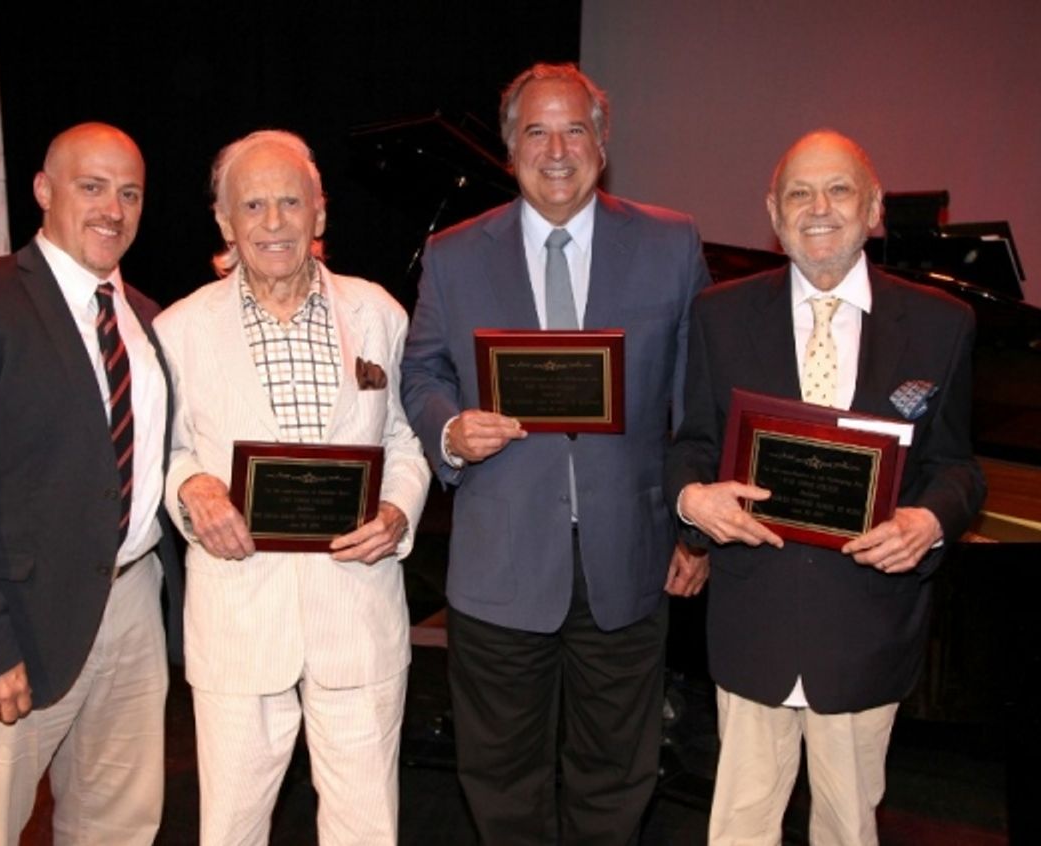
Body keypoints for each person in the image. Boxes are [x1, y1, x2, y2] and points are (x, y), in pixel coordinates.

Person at [400, 63, 712, 843]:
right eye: (536, 131)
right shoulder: (454, 254)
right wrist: (449, 430)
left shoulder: (671, 245)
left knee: (619, 772)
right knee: (501, 777)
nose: (557, 148)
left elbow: (698, 402)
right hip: (501, 561)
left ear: (602, 143)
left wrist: (694, 529)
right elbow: (422, 372)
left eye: (575, 128)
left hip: (631, 559)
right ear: (510, 150)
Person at [664, 130, 987, 845]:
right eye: (798, 193)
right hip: (755, 621)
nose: (819, 208)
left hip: (866, 627)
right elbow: (691, 446)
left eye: (839, 189)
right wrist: (694, 501)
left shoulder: (941, 325)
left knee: (847, 830)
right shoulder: (719, 316)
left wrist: (929, 522)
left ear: (873, 209)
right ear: (773, 216)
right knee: (740, 830)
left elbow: (959, 467)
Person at [0, 122, 182, 844]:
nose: (113, 208)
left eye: (130, 193)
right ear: (44, 192)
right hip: (13, 622)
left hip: (134, 607)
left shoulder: (147, 319)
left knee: (118, 826)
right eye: (92, 187)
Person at [155, 130, 430, 846]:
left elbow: (404, 438)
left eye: (289, 201)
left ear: (320, 213)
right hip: (239, 617)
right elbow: (164, 449)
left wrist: (399, 509)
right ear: (224, 223)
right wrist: (193, 492)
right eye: (253, 205)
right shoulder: (178, 329)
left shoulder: (380, 313)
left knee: (366, 828)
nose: (273, 222)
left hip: (359, 615)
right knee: (233, 829)